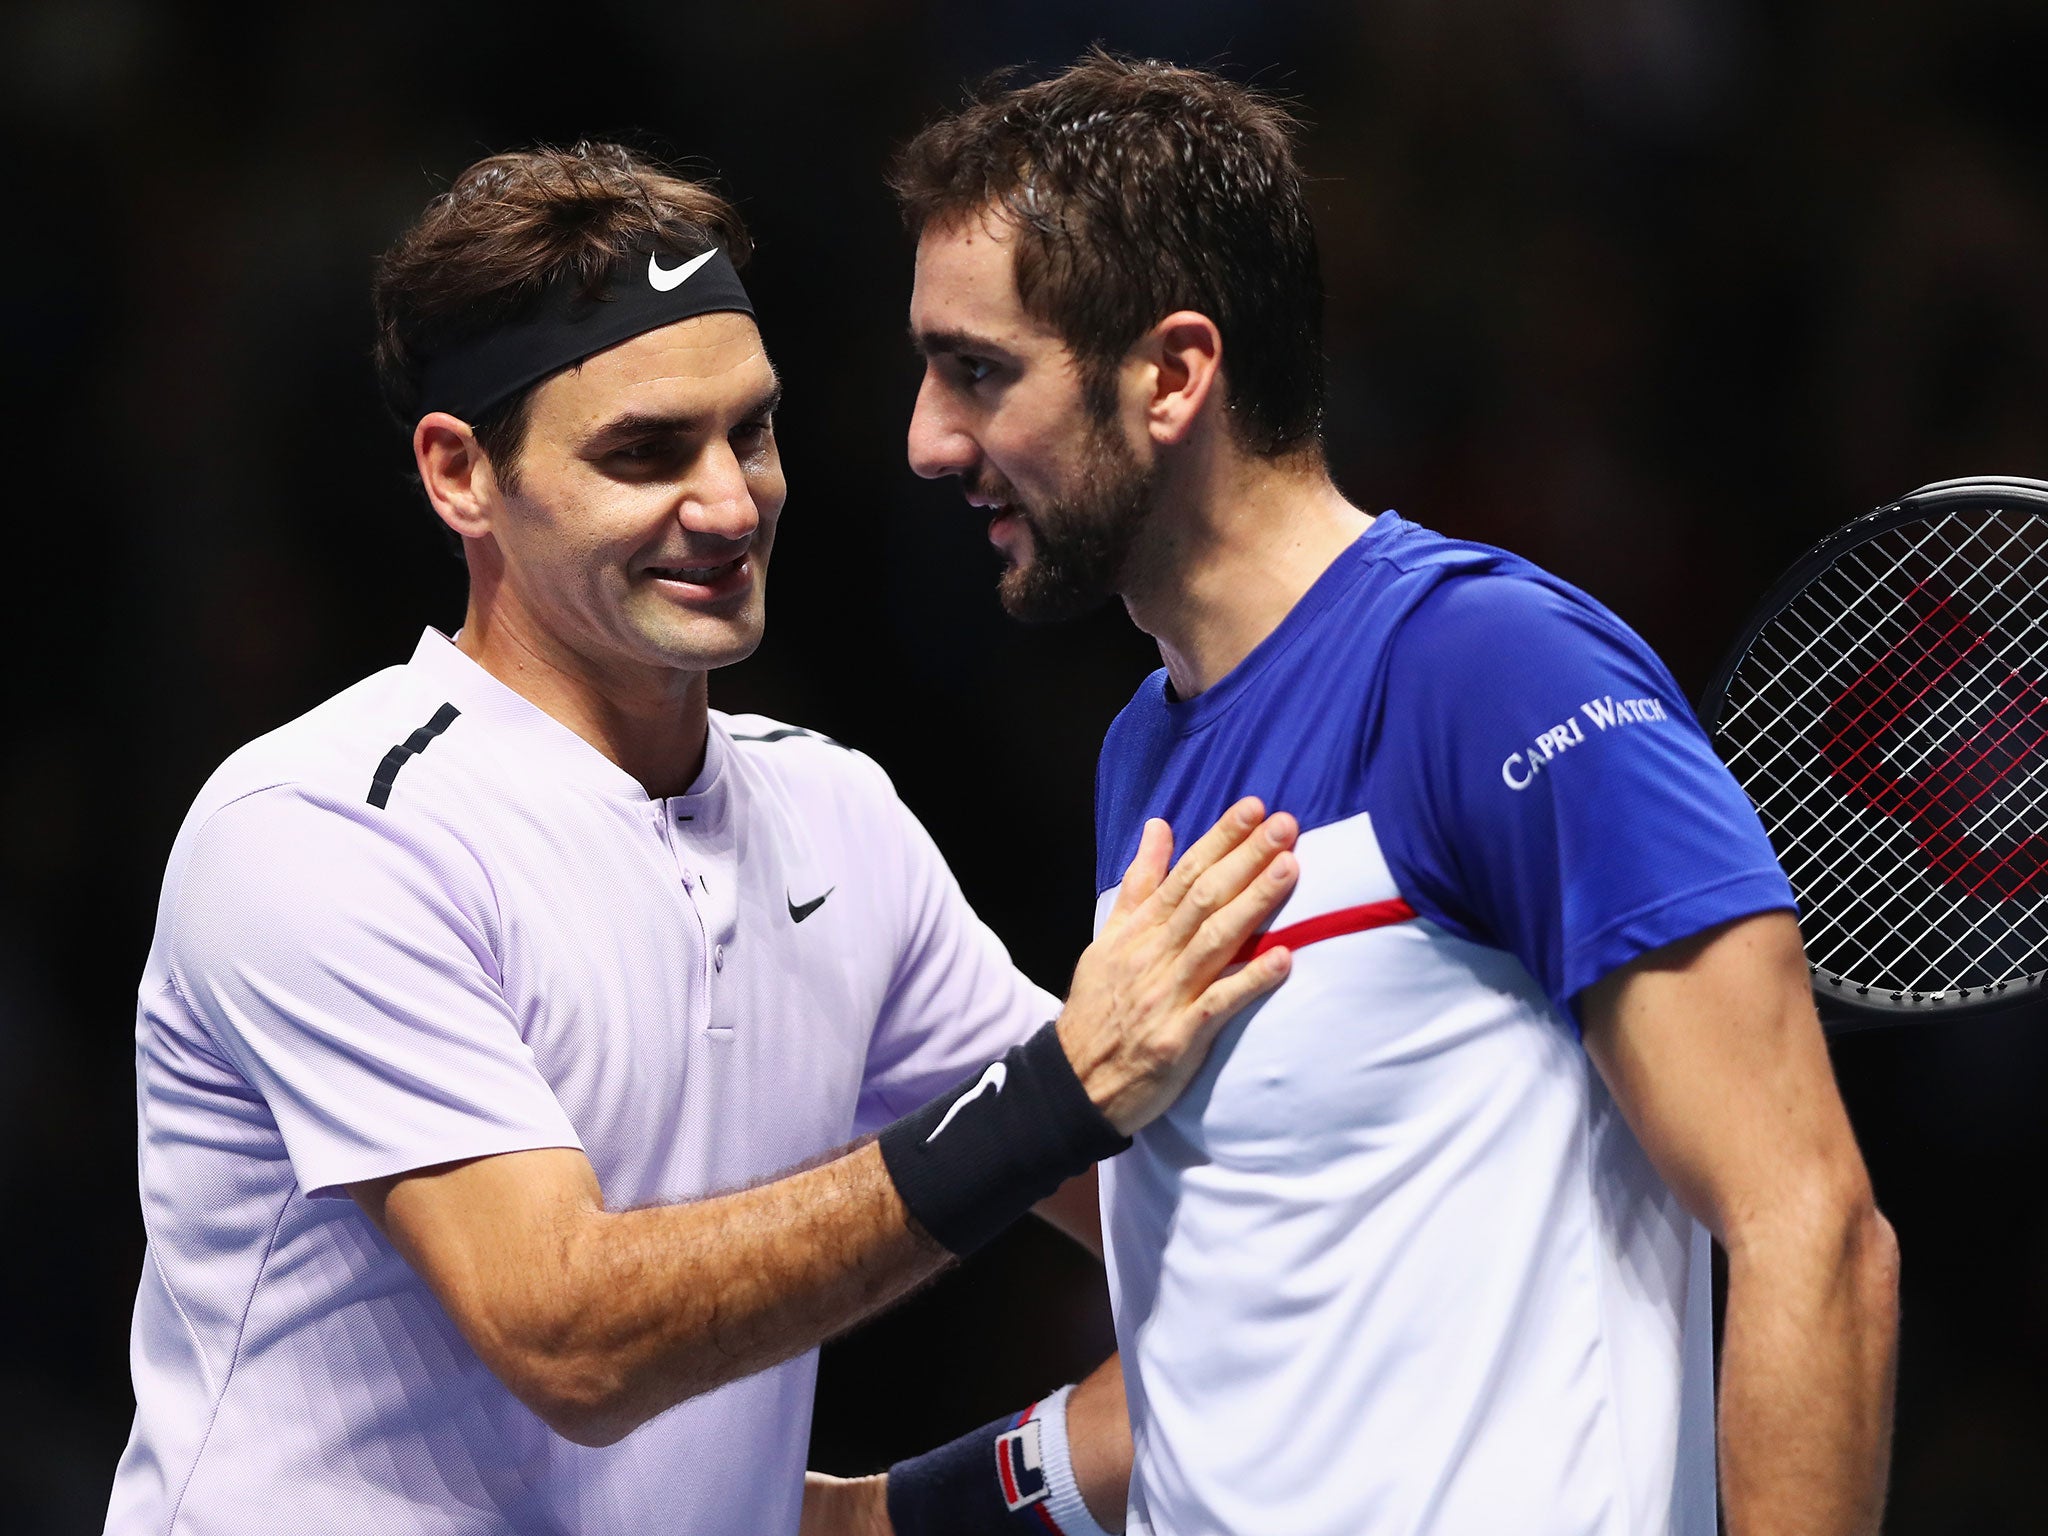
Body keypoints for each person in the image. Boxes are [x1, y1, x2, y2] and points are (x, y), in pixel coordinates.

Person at [104, 142, 1305, 1536]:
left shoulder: (836, 815)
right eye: (645, 452)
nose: (732, 505)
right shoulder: (322, 829)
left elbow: (1178, 1207)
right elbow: (568, 1336)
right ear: (460, 476)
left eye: (751, 431)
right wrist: (1056, 1092)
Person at [816, 52, 1900, 1536]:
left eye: (980, 371)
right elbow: (1247, 1332)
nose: (929, 441)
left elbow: (1813, 1235)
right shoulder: (1144, 751)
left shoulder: (1491, 672)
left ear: (1175, 375)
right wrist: (887, 1515)